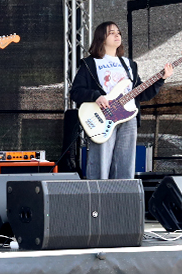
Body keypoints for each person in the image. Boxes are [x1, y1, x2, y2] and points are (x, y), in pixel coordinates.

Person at [69, 21, 173, 180]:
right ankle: (97, 194)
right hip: (103, 116)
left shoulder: (129, 64)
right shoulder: (90, 64)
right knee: (101, 162)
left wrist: (161, 79)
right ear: (101, 38)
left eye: (118, 32)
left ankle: (123, 194)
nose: (117, 35)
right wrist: (96, 96)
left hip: (128, 117)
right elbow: (76, 92)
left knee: (125, 163)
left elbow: (141, 94)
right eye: (111, 33)